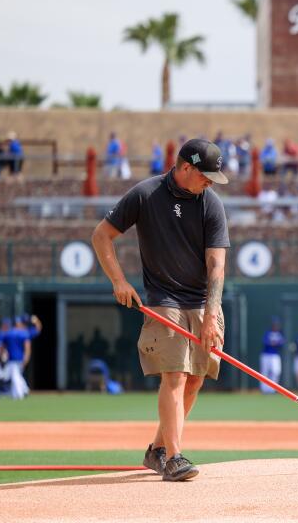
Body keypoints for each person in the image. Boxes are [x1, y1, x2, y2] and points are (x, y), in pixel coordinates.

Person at [91, 138, 230, 482]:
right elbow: (101, 235)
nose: (211, 182)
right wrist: (118, 281)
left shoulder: (211, 204)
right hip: (163, 300)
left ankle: (156, 450)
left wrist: (211, 316)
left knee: (195, 379)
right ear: (186, 168)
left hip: (201, 301)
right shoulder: (145, 194)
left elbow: (217, 266)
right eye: (206, 176)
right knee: (175, 375)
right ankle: (174, 457)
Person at [0, 314, 42, 400]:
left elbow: (2, 346)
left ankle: (20, 394)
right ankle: (24, 390)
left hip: (13, 358)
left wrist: (0, 355)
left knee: (15, 376)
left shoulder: (9, 333)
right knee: (17, 375)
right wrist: (36, 321)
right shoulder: (24, 333)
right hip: (20, 358)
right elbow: (37, 331)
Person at [260, 316, 285, 393]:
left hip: (275, 355)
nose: (276, 326)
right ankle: (264, 389)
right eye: (274, 324)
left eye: (277, 324)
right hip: (266, 355)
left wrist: (273, 343)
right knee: (265, 372)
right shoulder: (268, 332)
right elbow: (265, 342)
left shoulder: (280, 333)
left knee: (276, 371)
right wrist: (274, 343)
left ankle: (272, 389)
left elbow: (282, 343)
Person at [0, 318, 13, 395]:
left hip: (6, 353)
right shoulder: (0, 333)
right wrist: (0, 355)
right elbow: (0, 346)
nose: (6, 326)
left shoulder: (10, 332)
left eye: (7, 324)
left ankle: (5, 389)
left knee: (6, 373)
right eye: (5, 324)